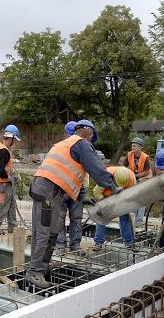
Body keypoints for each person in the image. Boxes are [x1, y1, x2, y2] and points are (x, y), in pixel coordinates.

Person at [26, 120, 121, 288]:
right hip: (49, 190)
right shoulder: (81, 144)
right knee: (46, 232)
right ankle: (34, 272)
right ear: (90, 135)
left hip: (45, 188)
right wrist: (113, 187)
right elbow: (97, 169)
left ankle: (41, 267)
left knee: (49, 231)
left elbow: (65, 175)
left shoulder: (64, 144)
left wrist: (80, 199)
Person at [56, 121, 88, 256]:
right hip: (64, 189)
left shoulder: (65, 147)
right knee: (64, 218)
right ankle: (64, 245)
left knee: (71, 218)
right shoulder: (65, 148)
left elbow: (85, 171)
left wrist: (83, 191)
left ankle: (67, 246)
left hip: (74, 189)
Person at [92, 166, 137, 251]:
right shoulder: (105, 176)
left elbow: (133, 194)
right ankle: (98, 243)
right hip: (106, 197)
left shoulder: (132, 178)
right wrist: (105, 202)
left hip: (121, 198)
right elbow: (96, 192)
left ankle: (129, 243)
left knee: (125, 217)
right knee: (102, 217)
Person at [0, 125, 21, 235]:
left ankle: (12, 226)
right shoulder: (4, 151)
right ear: (11, 138)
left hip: (1, 180)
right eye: (15, 140)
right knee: (3, 204)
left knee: (11, 202)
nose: (14, 142)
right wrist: (8, 177)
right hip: (2, 182)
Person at [123, 137, 152, 227]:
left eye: (134, 146)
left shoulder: (145, 157)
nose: (132, 148)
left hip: (145, 178)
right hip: (134, 178)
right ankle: (132, 219)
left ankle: (139, 221)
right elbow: (123, 167)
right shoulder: (129, 155)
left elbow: (147, 171)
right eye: (132, 146)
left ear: (140, 147)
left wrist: (135, 176)